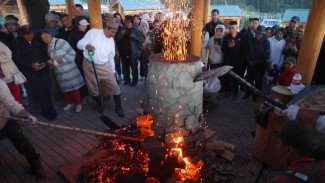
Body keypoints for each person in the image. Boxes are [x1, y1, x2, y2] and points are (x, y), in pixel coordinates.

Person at [77, 20, 125, 117]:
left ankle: (119, 107)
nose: (113, 34)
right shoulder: (93, 33)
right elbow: (79, 44)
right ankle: (100, 105)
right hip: (89, 64)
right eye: (112, 32)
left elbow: (111, 58)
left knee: (114, 86)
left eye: (115, 33)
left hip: (104, 65)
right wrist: (86, 46)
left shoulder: (111, 41)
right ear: (107, 28)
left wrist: (113, 71)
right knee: (93, 88)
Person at [0, 79, 47, 179]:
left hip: (4, 119)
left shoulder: (0, 84)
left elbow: (12, 105)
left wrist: (27, 116)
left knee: (22, 142)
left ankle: (35, 164)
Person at [12, 25, 57, 121]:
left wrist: (45, 62)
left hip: (43, 67)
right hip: (29, 70)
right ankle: (49, 110)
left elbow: (47, 51)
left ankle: (48, 109)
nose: (30, 37)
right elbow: (17, 58)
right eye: (28, 36)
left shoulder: (38, 37)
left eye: (32, 35)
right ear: (22, 35)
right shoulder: (17, 42)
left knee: (47, 88)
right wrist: (30, 64)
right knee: (38, 90)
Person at [41, 30, 85, 112]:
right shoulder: (48, 48)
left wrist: (63, 60)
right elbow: (53, 61)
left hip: (70, 69)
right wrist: (50, 62)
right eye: (43, 39)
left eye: (46, 36)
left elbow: (72, 53)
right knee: (64, 89)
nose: (46, 39)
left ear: (50, 34)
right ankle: (70, 103)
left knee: (74, 88)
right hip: (60, 72)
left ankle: (79, 104)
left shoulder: (61, 42)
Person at [244, 25, 270, 101]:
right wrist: (249, 61)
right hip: (250, 65)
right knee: (249, 80)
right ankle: (247, 93)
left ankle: (255, 96)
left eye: (260, 33)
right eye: (257, 33)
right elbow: (246, 53)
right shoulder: (250, 41)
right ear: (255, 33)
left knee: (258, 81)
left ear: (263, 34)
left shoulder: (266, 42)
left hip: (260, 65)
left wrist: (255, 62)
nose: (258, 35)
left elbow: (266, 55)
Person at [117, 15, 144, 86]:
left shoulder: (136, 30)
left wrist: (134, 36)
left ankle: (134, 81)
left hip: (133, 52)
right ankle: (127, 80)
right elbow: (117, 40)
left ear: (130, 22)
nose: (124, 22)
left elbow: (142, 40)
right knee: (125, 68)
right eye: (124, 21)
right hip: (123, 52)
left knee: (134, 68)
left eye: (125, 21)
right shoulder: (121, 29)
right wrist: (120, 35)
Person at [221, 21, 245, 100]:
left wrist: (242, 62)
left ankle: (235, 92)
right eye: (230, 28)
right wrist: (228, 46)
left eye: (233, 28)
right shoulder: (226, 38)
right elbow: (223, 50)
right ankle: (227, 91)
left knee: (236, 78)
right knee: (227, 77)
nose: (231, 30)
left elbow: (244, 50)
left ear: (237, 28)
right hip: (228, 61)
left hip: (238, 62)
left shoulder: (242, 37)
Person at [68, 16, 90, 98]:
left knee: (89, 77)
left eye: (86, 25)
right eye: (83, 25)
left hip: (89, 59)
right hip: (79, 60)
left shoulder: (88, 33)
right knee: (81, 77)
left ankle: (90, 94)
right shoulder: (72, 35)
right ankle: (83, 96)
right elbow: (71, 49)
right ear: (77, 25)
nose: (85, 27)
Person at [262, 28, 286, 95]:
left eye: (281, 34)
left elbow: (282, 55)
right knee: (265, 79)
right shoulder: (269, 40)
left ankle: (270, 95)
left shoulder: (284, 42)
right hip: (268, 63)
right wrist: (267, 62)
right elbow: (267, 52)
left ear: (283, 35)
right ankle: (263, 94)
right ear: (275, 33)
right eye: (278, 33)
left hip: (277, 64)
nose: (279, 35)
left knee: (273, 81)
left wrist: (279, 65)